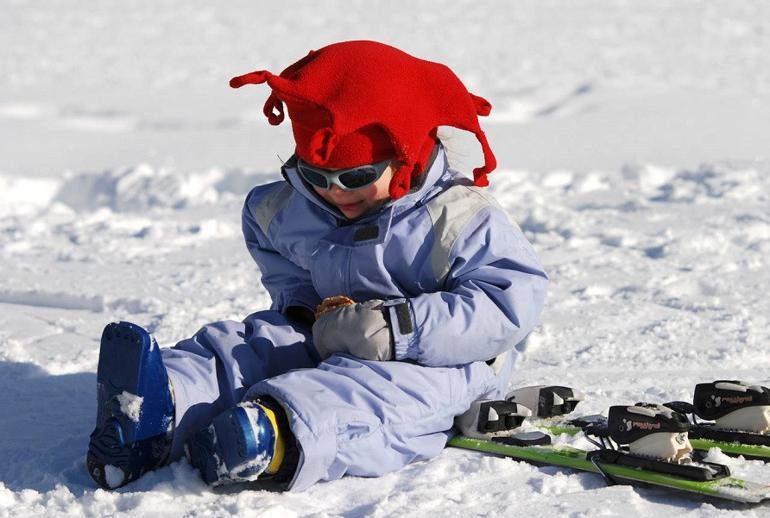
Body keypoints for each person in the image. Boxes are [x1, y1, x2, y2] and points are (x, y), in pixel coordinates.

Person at [86, 40, 549, 492]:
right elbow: (284, 267)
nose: (336, 193)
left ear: (405, 156)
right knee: (249, 345)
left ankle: (276, 435)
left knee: (382, 392)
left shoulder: (459, 218)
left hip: (441, 357)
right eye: (317, 176)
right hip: (330, 329)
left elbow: (506, 303)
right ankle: (160, 403)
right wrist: (304, 314)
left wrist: (397, 329)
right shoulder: (286, 209)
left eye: (356, 177)